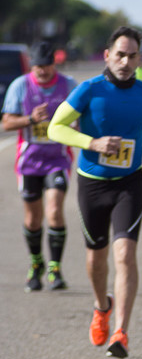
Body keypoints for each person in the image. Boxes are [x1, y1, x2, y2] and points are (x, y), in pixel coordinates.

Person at [47, 26, 142, 358]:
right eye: (120, 55)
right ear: (107, 55)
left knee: (125, 255)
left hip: (129, 184)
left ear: (139, 58)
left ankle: (121, 332)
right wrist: (92, 142)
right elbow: (55, 127)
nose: (125, 62)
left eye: (132, 56)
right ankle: (102, 306)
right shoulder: (89, 90)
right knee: (95, 258)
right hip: (92, 184)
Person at [2, 41, 78, 291]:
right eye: (37, 67)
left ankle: (55, 268)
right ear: (32, 66)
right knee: (33, 219)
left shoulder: (68, 85)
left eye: (46, 66)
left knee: (55, 210)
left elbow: (82, 118)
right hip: (29, 163)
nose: (42, 72)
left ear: (54, 63)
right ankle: (36, 264)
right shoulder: (21, 86)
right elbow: (7, 123)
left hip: (58, 160)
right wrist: (30, 119)